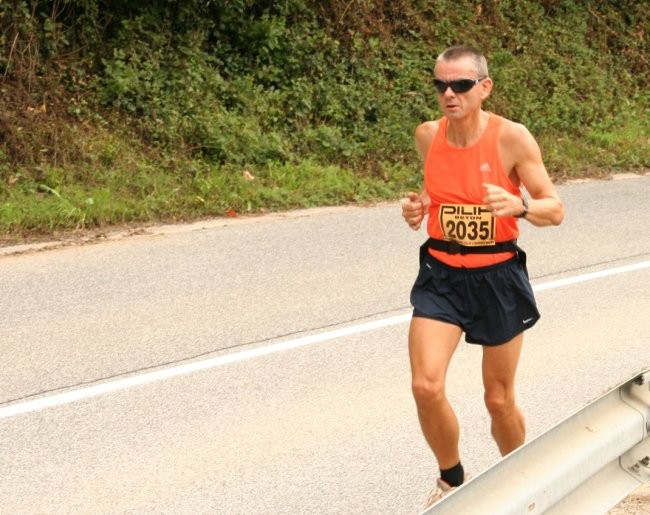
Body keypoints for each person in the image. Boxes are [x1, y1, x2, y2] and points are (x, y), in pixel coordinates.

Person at [401, 45, 564, 508]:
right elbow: (439, 194)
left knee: (498, 399)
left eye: (461, 85)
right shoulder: (428, 136)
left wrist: (523, 206)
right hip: (441, 274)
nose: (449, 94)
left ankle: (522, 479)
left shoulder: (512, 138)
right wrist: (420, 208)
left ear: (484, 87)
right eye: (441, 85)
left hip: (496, 276)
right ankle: (452, 479)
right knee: (425, 385)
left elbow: (555, 208)